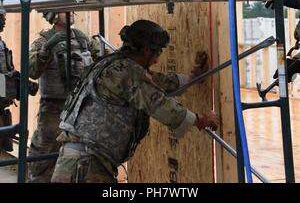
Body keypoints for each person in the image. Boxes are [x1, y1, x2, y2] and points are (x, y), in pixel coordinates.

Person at [51, 19, 219, 183]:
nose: (157, 60)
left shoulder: (113, 64)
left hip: (77, 163)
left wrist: (193, 78)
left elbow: (156, 83)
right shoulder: (127, 72)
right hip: (87, 167)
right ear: (146, 50)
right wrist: (201, 120)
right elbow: (160, 105)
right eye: (158, 53)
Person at [27, 11, 102, 183]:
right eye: (64, 10)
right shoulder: (43, 41)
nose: (71, 13)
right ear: (52, 15)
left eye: (72, 9)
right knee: (44, 158)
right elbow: (32, 70)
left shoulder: (83, 39)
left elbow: (101, 62)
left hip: (82, 108)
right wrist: (46, 50)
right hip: (54, 110)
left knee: (82, 157)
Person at [0, 9, 38, 153]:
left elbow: (6, 72)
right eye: (0, 17)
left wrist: (23, 81)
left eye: (4, 17)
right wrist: (14, 85)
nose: (3, 21)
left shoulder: (1, 43)